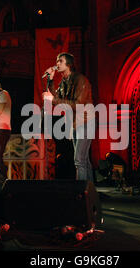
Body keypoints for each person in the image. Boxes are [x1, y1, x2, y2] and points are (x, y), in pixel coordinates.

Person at [42, 52, 95, 181]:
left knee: (79, 160)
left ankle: (81, 192)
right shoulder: (64, 82)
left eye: (60, 61)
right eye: (57, 61)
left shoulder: (80, 80)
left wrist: (53, 99)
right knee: (84, 160)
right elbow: (56, 96)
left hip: (85, 121)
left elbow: (78, 104)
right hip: (75, 123)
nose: (57, 63)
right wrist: (50, 80)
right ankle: (90, 190)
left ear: (69, 64)